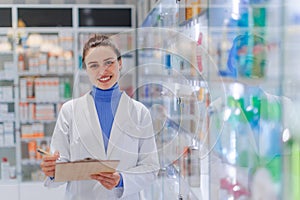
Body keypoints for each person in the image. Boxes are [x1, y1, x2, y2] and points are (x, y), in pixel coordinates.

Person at [40, 34, 160, 200]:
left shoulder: (140, 113)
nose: (102, 71)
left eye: (109, 62)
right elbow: (61, 162)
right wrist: (53, 170)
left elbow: (151, 167)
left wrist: (121, 180)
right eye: (94, 65)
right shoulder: (70, 111)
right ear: (86, 69)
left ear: (120, 63)